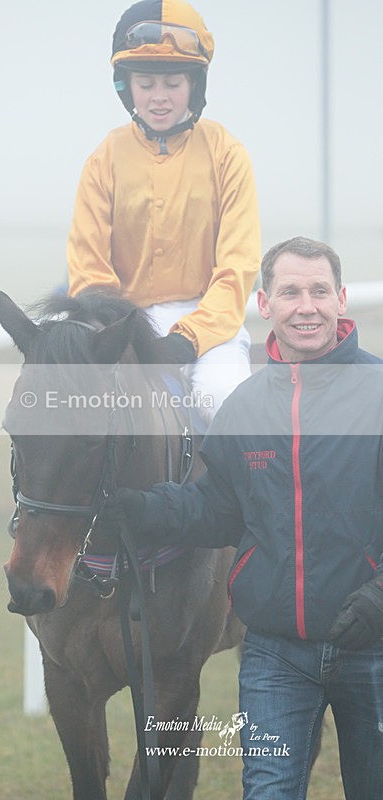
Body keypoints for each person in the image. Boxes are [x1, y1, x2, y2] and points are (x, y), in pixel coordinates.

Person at [104, 236, 383, 800]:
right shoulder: (246, 404)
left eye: (319, 291)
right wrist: (142, 509)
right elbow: (217, 508)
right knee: (267, 792)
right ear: (264, 305)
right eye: (290, 292)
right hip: (276, 655)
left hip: (375, 646)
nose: (306, 306)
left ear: (341, 300)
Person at [67, 0, 261, 424]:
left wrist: (187, 340)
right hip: (127, 323)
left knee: (221, 398)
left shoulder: (227, 154)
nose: (159, 98)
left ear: (195, 84)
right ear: (126, 86)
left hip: (212, 323)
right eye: (146, 83)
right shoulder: (103, 159)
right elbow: (89, 271)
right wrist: (125, 332)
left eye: (173, 83)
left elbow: (237, 270)